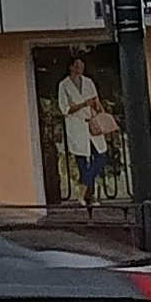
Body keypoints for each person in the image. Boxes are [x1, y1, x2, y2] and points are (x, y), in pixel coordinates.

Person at [57, 56, 114, 207]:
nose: (80, 68)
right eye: (77, 65)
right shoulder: (64, 85)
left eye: (81, 65)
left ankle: (83, 187)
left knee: (101, 156)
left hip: (92, 124)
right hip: (77, 126)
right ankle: (90, 197)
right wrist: (83, 104)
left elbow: (96, 101)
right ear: (70, 67)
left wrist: (101, 114)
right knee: (82, 161)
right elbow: (65, 109)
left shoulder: (88, 82)